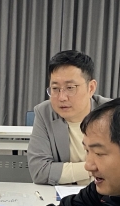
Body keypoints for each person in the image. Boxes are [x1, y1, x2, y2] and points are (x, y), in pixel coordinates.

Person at [27, 50, 111, 185]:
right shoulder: (44, 113)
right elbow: (40, 171)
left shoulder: (113, 113)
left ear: (91, 88)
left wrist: (64, 171)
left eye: (70, 88)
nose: (61, 97)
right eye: (55, 88)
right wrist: (94, 168)